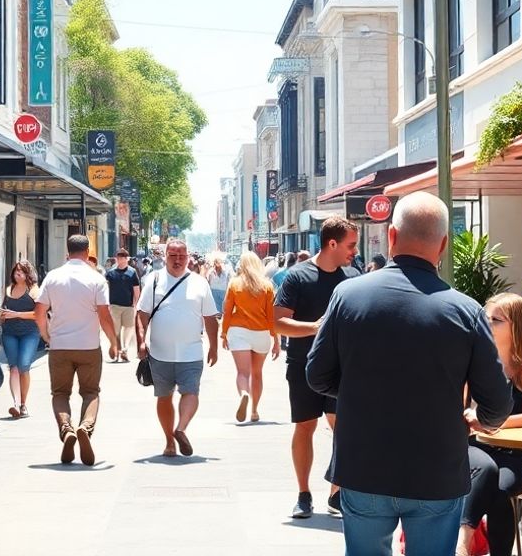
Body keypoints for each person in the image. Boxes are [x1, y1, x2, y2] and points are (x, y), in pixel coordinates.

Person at [306, 193, 513, 556]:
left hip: (363, 465)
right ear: (444, 244)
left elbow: (317, 375)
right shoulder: (466, 311)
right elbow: (497, 403)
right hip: (436, 470)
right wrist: (477, 418)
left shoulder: (346, 296)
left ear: (391, 235)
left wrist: (361, 390)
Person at [275, 216, 360, 519]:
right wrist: (314, 327)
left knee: (344, 428)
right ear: (332, 243)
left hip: (342, 368)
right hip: (303, 365)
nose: (355, 251)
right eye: (351, 245)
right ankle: (303, 493)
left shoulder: (352, 278)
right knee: (305, 426)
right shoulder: (297, 276)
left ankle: (337, 492)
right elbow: (278, 321)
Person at [458, 293, 522, 556]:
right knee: (484, 471)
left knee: (500, 492)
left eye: (495, 319)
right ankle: (462, 544)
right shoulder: (474, 362)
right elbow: (461, 406)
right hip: (475, 446)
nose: (487, 322)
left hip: (510, 453)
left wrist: (491, 422)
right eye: (484, 317)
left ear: (515, 326)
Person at [35, 234, 120, 465]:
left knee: (60, 394)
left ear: (67, 250)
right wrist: (114, 342)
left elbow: (39, 311)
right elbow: (104, 315)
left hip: (60, 346)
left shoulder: (53, 277)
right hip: (89, 346)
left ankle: (67, 430)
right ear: (88, 250)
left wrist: (46, 335)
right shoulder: (96, 279)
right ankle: (85, 427)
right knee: (90, 392)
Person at [137, 239, 219, 457]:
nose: (178, 260)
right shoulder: (153, 280)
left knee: (191, 391)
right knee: (164, 397)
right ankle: (169, 441)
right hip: (159, 353)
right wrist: (141, 340)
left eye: (182, 256)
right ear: (165, 257)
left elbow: (211, 318)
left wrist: (214, 346)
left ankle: (180, 430)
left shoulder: (199, 282)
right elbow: (142, 314)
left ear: (189, 257)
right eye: (173, 255)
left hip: (191, 352)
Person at [220, 251, 279, 423]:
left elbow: (227, 311)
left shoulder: (234, 283)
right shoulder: (267, 286)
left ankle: (244, 393)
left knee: (242, 373)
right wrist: (276, 339)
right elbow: (271, 315)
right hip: (261, 333)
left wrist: (224, 334)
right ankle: (254, 410)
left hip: (238, 331)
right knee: (257, 373)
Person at [0, 261, 41, 418]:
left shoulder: (33, 290)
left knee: (24, 365)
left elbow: (38, 314)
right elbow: (3, 309)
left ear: (28, 274)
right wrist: (1, 315)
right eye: (16, 271)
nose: (18, 274)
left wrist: (16, 314)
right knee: (14, 367)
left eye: (22, 271)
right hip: (9, 332)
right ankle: (16, 404)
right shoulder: (9, 289)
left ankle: (24, 403)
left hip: (29, 333)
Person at [104, 250, 141, 363]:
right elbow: (105, 289)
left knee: (129, 327)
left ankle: (125, 349)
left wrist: (136, 304)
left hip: (129, 305)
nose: (120, 259)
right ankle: (117, 351)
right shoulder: (110, 273)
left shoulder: (132, 272)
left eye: (122, 257)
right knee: (116, 330)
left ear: (127, 259)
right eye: (118, 257)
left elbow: (136, 289)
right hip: (114, 305)